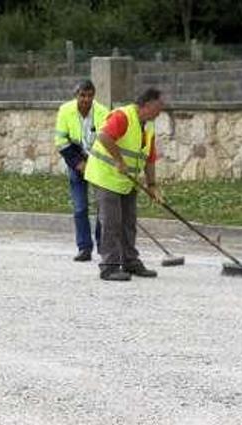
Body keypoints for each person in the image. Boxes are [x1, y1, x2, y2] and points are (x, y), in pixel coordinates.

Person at [83, 87, 165, 281]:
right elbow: (104, 136)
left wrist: (152, 185)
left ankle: (130, 261)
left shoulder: (149, 125)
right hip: (105, 176)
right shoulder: (123, 116)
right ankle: (109, 266)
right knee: (112, 222)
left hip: (128, 181)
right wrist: (119, 160)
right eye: (159, 106)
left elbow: (149, 157)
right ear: (146, 104)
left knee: (129, 222)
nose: (161, 110)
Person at [54, 80, 109, 262]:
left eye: (89, 95)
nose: (86, 99)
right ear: (76, 95)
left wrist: (94, 164)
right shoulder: (65, 110)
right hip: (76, 160)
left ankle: (104, 247)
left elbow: (107, 141)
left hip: (98, 161)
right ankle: (84, 248)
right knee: (80, 208)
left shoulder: (102, 112)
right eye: (82, 95)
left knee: (103, 208)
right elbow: (61, 142)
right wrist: (79, 164)